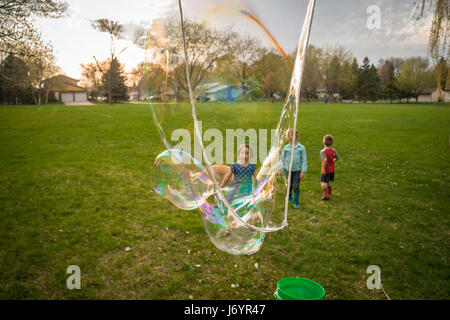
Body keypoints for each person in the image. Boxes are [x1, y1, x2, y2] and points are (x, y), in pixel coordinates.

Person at [220, 144, 257, 234]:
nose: (244, 155)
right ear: (238, 154)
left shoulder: (252, 166)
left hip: (247, 189)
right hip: (236, 189)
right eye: (242, 153)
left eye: (247, 153)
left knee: (248, 208)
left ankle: (250, 225)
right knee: (232, 208)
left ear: (250, 155)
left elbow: (256, 178)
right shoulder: (235, 166)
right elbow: (228, 176)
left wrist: (258, 189)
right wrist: (220, 186)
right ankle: (229, 227)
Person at [279, 128, 307, 209]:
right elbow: (281, 159)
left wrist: (303, 171)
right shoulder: (286, 148)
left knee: (296, 186)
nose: (288, 136)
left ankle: (296, 202)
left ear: (296, 135)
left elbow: (304, 160)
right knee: (289, 185)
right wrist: (280, 169)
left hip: (297, 171)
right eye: (288, 135)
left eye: (290, 135)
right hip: (288, 170)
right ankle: (289, 196)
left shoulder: (301, 148)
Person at [320, 134, 339, 200]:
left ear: (323, 142)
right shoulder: (334, 150)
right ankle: (329, 192)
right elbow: (337, 158)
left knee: (323, 182)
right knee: (329, 182)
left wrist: (324, 169)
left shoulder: (323, 151)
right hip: (332, 169)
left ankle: (326, 195)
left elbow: (325, 160)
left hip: (326, 170)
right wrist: (334, 161)